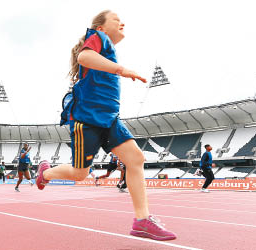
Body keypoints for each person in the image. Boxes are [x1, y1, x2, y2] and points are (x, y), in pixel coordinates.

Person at [34, 10, 175, 240]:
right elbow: (84, 58)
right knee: (80, 174)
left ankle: (142, 220)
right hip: (87, 120)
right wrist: (122, 70)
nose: (122, 23)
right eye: (116, 20)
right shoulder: (98, 38)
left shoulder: (109, 50)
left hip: (109, 118)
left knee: (136, 159)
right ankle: (46, 172)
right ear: (100, 27)